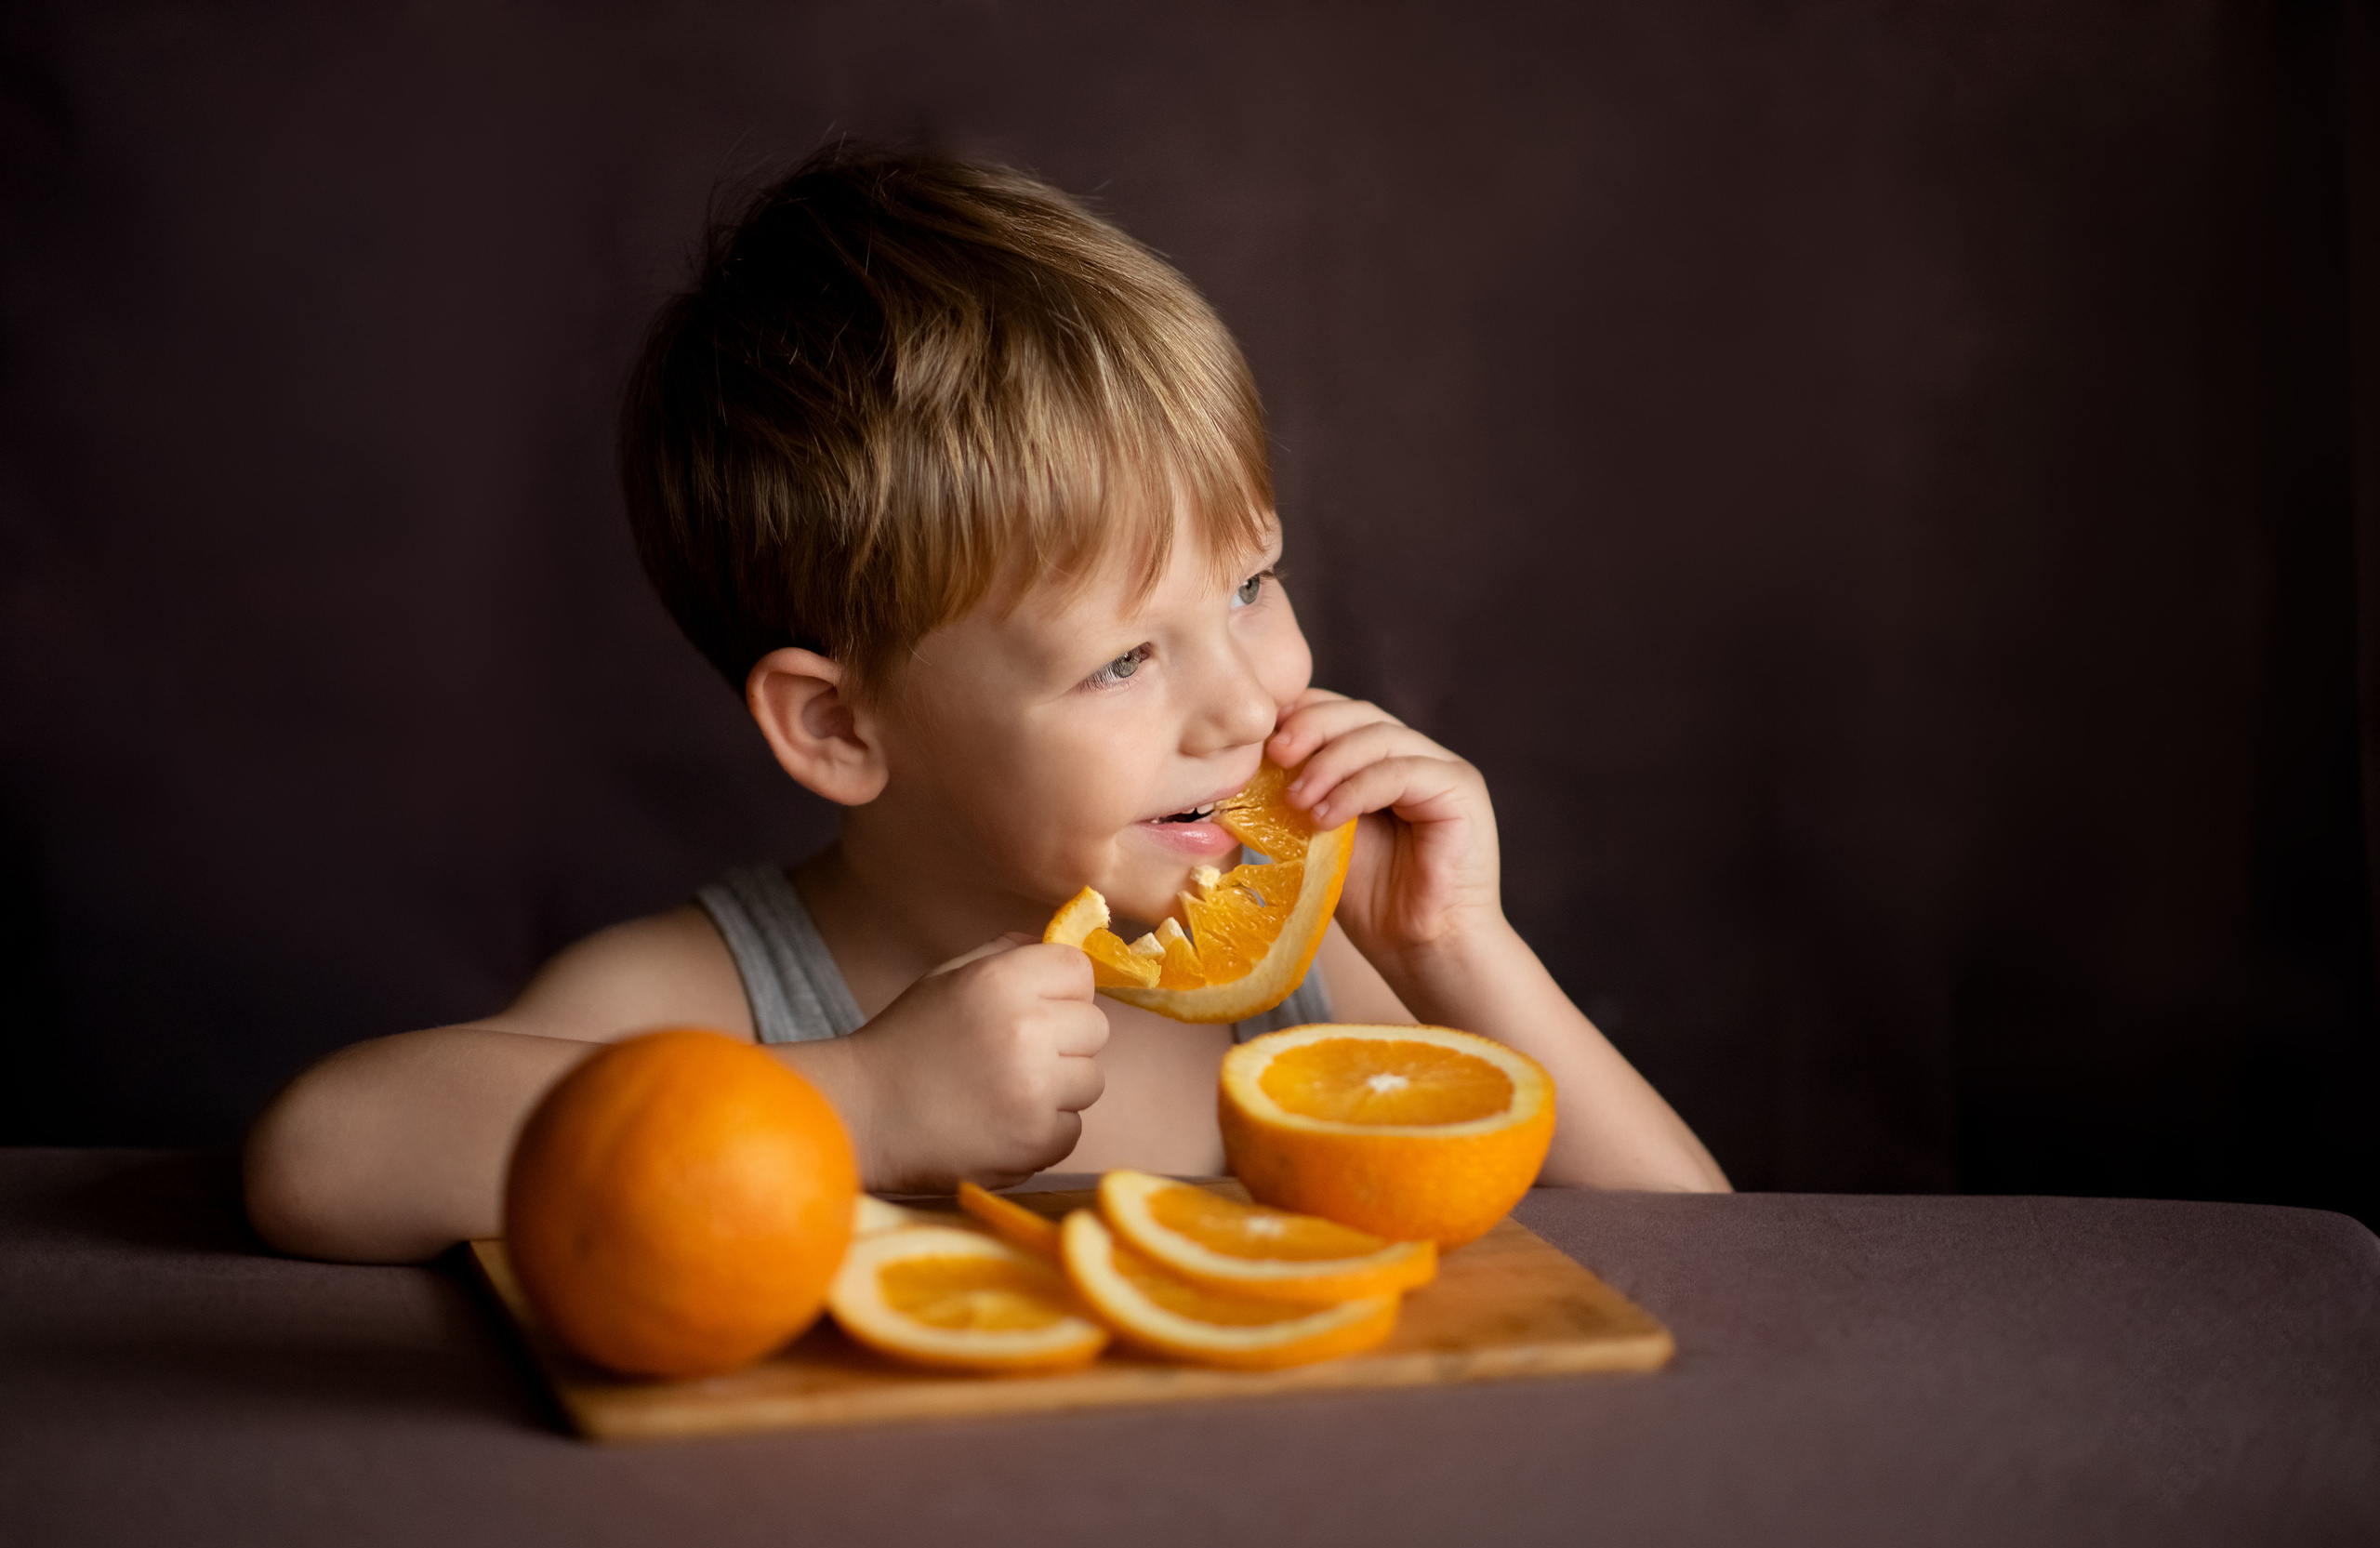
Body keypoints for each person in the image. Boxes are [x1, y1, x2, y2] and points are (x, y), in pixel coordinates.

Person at [244, 146, 1729, 1263]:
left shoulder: (1309, 979)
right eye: (1123, 661)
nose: (1243, 701)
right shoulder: (734, 1005)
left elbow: (1702, 1252)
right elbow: (321, 1159)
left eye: (1247, 588)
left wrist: (1458, 953)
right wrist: (862, 1102)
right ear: (839, 728)